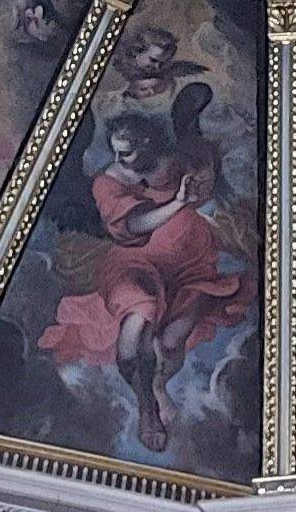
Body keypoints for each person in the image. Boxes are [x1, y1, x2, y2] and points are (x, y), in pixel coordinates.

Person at [36, 84, 242, 453]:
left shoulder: (174, 162)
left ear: (148, 143)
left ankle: (159, 386)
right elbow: (133, 226)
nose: (122, 159)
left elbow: (205, 174)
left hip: (193, 267)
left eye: (129, 152)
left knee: (171, 341)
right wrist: (178, 203)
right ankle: (147, 406)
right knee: (139, 314)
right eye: (117, 152)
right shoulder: (107, 182)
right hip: (136, 264)